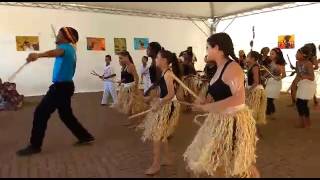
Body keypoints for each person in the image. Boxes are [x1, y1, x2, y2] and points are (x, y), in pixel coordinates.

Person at [184, 32, 259, 178]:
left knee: (242, 165)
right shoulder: (219, 67)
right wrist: (205, 102)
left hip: (233, 121)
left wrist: (209, 107)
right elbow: (222, 94)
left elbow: (239, 99)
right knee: (217, 161)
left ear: (217, 47)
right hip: (220, 120)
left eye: (208, 47)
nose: (206, 51)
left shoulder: (232, 68)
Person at [17, 27, 95, 156]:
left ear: (67, 37)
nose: (57, 36)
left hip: (61, 88)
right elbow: (58, 52)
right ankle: (85, 136)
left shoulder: (67, 48)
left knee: (40, 112)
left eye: (59, 34)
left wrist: (38, 55)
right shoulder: (70, 49)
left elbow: (55, 53)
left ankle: (35, 146)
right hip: (65, 86)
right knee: (66, 115)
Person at [137, 48, 181, 175]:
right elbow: (163, 92)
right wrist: (152, 98)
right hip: (166, 104)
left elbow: (171, 94)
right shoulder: (164, 73)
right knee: (161, 134)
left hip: (169, 106)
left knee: (157, 135)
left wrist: (159, 104)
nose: (155, 59)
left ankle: (156, 164)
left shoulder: (168, 74)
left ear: (164, 60)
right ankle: (167, 158)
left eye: (157, 57)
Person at [115, 50, 147, 116]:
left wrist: (135, 88)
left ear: (126, 57)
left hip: (131, 88)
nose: (119, 60)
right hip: (124, 88)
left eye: (121, 58)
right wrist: (121, 81)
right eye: (119, 58)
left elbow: (136, 77)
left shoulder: (131, 66)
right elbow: (125, 78)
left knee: (131, 105)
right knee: (127, 105)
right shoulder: (124, 67)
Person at [245, 51, 267, 138]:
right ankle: (256, 132)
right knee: (252, 113)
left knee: (253, 113)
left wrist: (248, 91)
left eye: (248, 56)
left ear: (253, 58)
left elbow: (256, 82)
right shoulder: (251, 66)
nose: (246, 58)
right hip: (253, 90)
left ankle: (256, 132)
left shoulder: (255, 67)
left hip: (256, 91)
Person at [294, 45, 316, 128]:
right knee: (299, 103)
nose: (296, 55)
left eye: (297, 53)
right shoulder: (297, 63)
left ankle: (307, 121)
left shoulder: (308, 64)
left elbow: (312, 77)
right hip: (302, 83)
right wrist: (295, 83)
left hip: (308, 84)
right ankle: (301, 121)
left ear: (304, 55)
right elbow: (298, 74)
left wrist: (304, 77)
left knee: (302, 103)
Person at [264, 48, 286, 120]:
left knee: (270, 98)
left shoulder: (281, 64)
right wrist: (263, 76)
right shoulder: (271, 63)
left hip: (276, 82)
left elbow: (284, 75)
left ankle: (271, 113)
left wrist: (279, 78)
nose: (270, 55)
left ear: (277, 55)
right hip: (270, 81)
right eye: (270, 53)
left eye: (272, 54)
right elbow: (268, 72)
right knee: (267, 97)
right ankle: (269, 112)